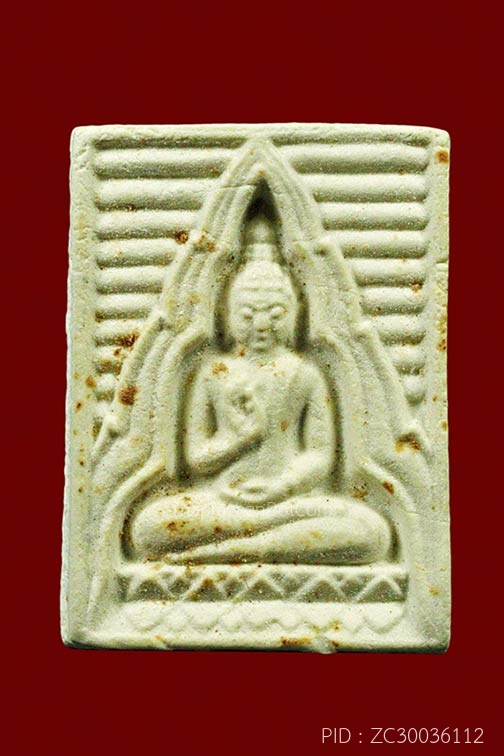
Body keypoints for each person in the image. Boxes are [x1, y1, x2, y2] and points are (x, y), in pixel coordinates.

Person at [129, 216, 391, 564]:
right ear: (228, 315)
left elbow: (319, 455)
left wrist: (281, 488)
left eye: (276, 313)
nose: (262, 325)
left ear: (294, 314)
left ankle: (237, 550)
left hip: (290, 502)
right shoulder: (214, 374)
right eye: (248, 314)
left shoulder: (304, 373)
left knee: (373, 532)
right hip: (224, 503)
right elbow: (197, 458)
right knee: (149, 526)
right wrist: (239, 439)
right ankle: (266, 543)